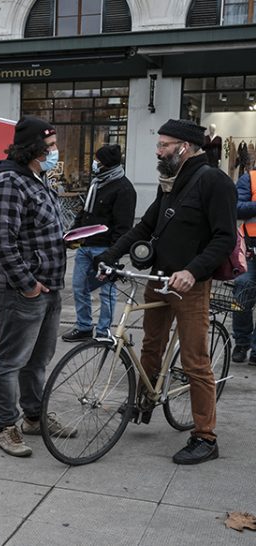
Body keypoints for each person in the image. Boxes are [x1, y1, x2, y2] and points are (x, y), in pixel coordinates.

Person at [95, 119, 236, 465]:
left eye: (163, 145)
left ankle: (205, 437)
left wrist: (193, 271)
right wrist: (110, 256)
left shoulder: (213, 181)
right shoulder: (170, 183)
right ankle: (143, 401)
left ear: (183, 147)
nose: (158, 151)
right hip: (158, 278)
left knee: (195, 362)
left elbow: (225, 237)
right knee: (151, 345)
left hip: (190, 286)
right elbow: (145, 226)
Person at [0, 116, 76, 458]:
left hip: (48, 286)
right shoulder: (9, 182)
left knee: (38, 360)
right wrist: (27, 284)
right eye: (49, 146)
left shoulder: (37, 179)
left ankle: (34, 416)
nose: (55, 151)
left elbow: (37, 229)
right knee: (11, 361)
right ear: (33, 149)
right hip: (21, 290)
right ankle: (5, 426)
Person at [62, 144, 136, 342]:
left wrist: (113, 253)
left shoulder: (124, 188)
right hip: (86, 246)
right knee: (79, 287)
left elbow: (123, 226)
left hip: (105, 249)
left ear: (106, 164)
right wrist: (73, 234)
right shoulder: (96, 184)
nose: (94, 164)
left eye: (97, 161)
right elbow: (85, 212)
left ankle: (104, 331)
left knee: (107, 292)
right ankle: (84, 327)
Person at [231, 168, 256, 364]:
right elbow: (236, 207)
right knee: (242, 289)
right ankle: (241, 341)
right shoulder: (250, 178)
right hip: (250, 250)